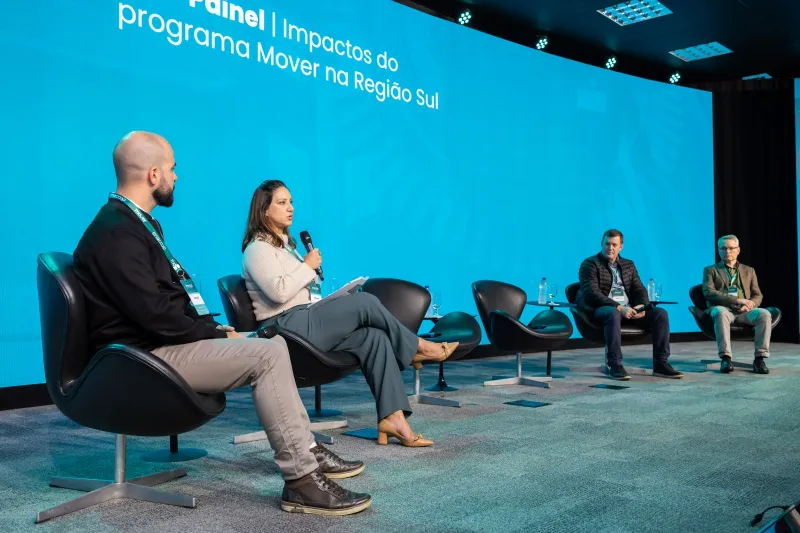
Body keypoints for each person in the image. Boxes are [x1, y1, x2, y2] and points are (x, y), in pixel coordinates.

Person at [73, 131, 372, 516]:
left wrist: (216, 330)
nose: (175, 177)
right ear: (152, 175)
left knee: (275, 345)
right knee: (265, 355)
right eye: (171, 168)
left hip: (158, 344)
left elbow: (161, 305)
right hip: (140, 357)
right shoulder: (117, 231)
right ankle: (301, 481)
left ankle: (308, 451)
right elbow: (152, 315)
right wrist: (212, 332)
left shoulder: (135, 224)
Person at [241, 180, 458, 447]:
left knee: (373, 337)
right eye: (282, 203)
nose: (291, 208)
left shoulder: (288, 246)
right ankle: (417, 347)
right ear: (264, 210)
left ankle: (394, 419)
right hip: (284, 329)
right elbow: (278, 292)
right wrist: (307, 266)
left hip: (304, 321)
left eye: (291, 202)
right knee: (365, 302)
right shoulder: (257, 248)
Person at [576, 229, 684, 381]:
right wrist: (619, 308)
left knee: (660, 314)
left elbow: (639, 288)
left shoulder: (628, 264)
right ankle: (615, 365)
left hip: (629, 309)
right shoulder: (590, 264)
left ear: (621, 247)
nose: (610, 248)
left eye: (614, 244)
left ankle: (661, 363)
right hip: (602, 308)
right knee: (612, 313)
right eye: (607, 244)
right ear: (601, 244)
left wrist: (641, 307)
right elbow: (592, 293)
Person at [702, 235, 771, 375]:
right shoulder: (710, 270)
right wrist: (736, 300)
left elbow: (757, 295)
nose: (728, 251)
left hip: (745, 311)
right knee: (720, 312)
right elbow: (708, 292)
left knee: (764, 314)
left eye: (731, 248)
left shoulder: (749, 270)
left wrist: (751, 305)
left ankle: (760, 358)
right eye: (724, 248)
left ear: (738, 250)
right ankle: (726, 358)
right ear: (719, 251)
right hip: (724, 309)